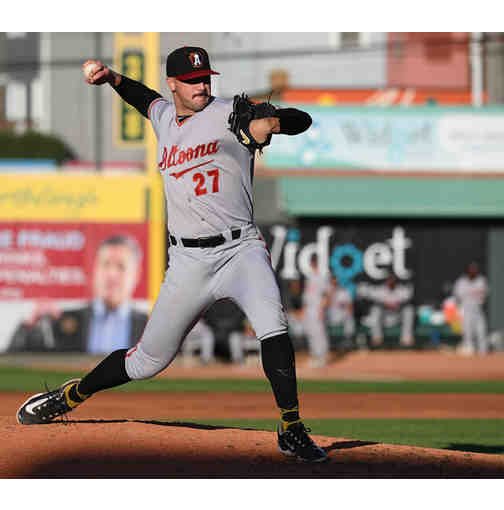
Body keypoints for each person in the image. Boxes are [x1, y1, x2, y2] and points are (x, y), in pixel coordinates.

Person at [16, 46, 327, 463]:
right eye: (194, 80)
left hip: (241, 249)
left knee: (274, 328)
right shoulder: (164, 116)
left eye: (206, 78)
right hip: (188, 262)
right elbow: (145, 100)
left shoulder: (231, 114)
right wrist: (111, 78)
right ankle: (70, 395)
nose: (203, 85)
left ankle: (291, 427)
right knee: (146, 362)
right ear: (174, 84)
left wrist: (272, 120)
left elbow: (300, 121)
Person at [7, 235, 148, 353]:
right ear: (95, 270)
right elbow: (13, 362)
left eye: (120, 266)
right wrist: (28, 327)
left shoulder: (150, 326)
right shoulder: (62, 321)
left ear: (136, 274)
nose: (111, 274)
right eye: (105, 264)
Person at [367, 273, 415, 347]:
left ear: (396, 281)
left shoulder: (401, 289)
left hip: (398, 316)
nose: (391, 282)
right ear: (386, 281)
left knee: (409, 310)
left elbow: (408, 299)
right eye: (389, 280)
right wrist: (385, 304)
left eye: (393, 280)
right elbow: (372, 297)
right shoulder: (380, 290)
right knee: (375, 310)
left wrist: (398, 304)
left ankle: (406, 338)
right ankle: (377, 338)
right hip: (385, 318)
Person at [453, 262, 489, 355]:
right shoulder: (461, 282)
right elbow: (457, 297)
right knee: (467, 334)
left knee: (481, 333)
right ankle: (469, 356)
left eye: (475, 269)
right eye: (471, 269)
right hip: (466, 311)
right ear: (467, 270)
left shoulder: (481, 280)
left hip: (478, 311)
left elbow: (484, 296)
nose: (473, 271)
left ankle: (483, 355)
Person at [302, 254, 331, 368]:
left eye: (314, 262)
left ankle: (323, 356)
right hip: (309, 308)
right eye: (312, 262)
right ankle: (315, 355)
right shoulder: (309, 277)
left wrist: (322, 309)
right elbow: (306, 296)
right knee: (311, 332)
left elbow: (327, 295)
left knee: (319, 332)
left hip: (317, 308)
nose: (313, 264)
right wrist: (304, 309)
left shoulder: (321, 277)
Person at [326, 274, 355, 349]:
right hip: (329, 315)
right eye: (332, 281)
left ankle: (348, 340)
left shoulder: (343, 291)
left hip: (341, 315)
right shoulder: (326, 291)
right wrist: (331, 292)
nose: (334, 283)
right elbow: (323, 305)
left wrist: (348, 310)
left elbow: (350, 305)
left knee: (349, 317)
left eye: (335, 281)